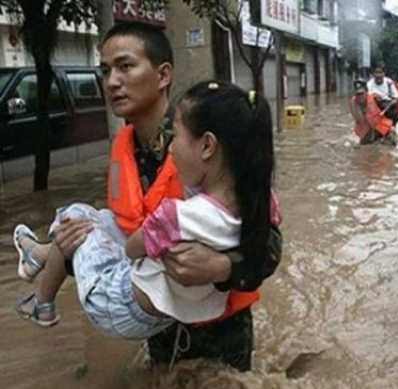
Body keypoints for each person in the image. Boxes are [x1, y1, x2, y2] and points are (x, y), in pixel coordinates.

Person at [14, 22, 282, 371]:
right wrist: (67, 248)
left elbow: (270, 242)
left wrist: (223, 267)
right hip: (157, 320)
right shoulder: (124, 147)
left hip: (219, 331)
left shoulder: (203, 139)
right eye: (105, 70)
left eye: (125, 66)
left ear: (163, 75)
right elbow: (126, 238)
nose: (111, 81)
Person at [349, 79, 398, 145]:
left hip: (380, 126)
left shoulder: (376, 99)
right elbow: (359, 120)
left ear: (366, 92)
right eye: (357, 94)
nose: (359, 96)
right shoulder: (353, 103)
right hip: (366, 132)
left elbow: (390, 111)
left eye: (361, 93)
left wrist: (392, 126)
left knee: (392, 135)